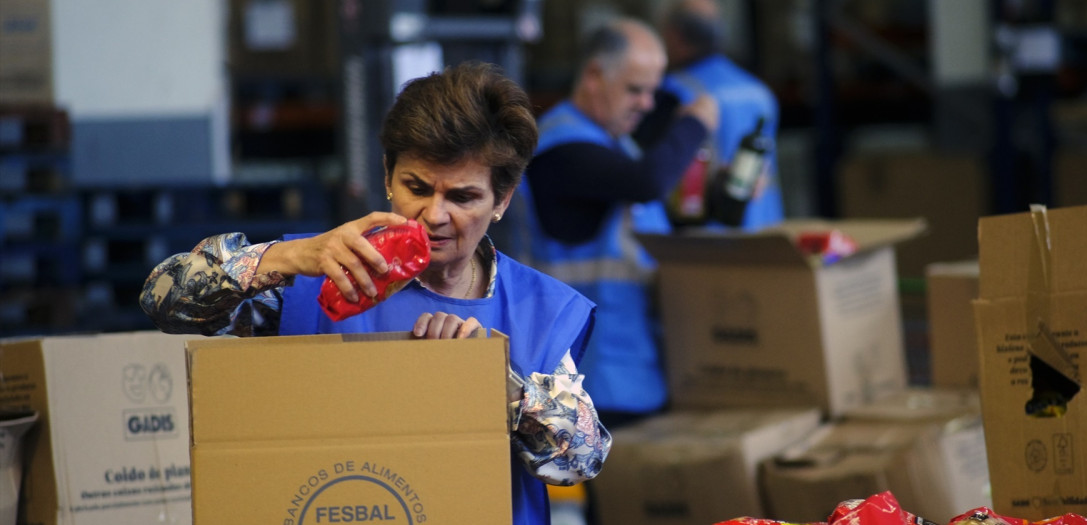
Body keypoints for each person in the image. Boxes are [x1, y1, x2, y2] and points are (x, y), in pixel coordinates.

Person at [139, 61, 610, 525]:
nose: (434, 214)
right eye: (416, 187)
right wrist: (285, 258)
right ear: (387, 176)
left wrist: (488, 379)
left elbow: (580, 461)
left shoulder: (541, 310)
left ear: (502, 200)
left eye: (462, 197)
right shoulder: (318, 279)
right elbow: (165, 300)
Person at [518, 17, 718, 428]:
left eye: (652, 91)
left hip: (632, 370)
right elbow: (647, 182)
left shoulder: (616, 146)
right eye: (635, 89)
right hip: (590, 384)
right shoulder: (562, 149)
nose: (646, 104)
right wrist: (696, 122)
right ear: (594, 75)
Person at [647, 0, 786, 230]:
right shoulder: (758, 90)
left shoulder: (675, 93)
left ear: (673, 35)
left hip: (710, 241)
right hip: (765, 229)